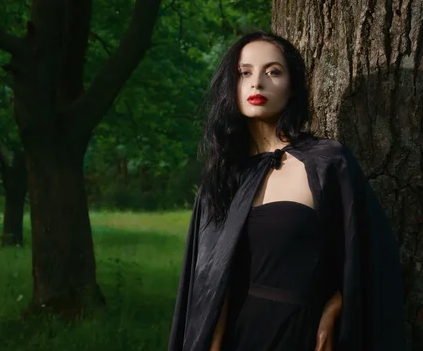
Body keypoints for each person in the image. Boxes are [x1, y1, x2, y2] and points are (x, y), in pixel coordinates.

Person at [168, 32, 406, 351]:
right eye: (245, 72)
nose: (257, 83)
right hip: (238, 338)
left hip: (299, 336)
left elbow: (371, 256)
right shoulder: (223, 177)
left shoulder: (327, 162)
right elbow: (211, 289)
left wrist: (338, 303)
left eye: (273, 71)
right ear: (233, 86)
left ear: (292, 87)